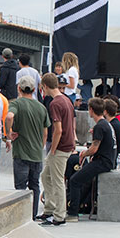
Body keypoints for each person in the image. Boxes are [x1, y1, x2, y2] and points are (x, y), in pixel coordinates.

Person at [64, 97, 116, 223]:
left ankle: (73, 213)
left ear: (91, 110)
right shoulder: (106, 124)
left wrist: (84, 154)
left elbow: (94, 149)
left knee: (75, 180)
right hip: (109, 160)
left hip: (102, 162)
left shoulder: (100, 126)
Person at [6, 75, 50, 220]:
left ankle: (20, 216)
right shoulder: (41, 107)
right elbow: (45, 132)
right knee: (35, 185)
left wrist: (8, 133)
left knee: (20, 187)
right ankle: (32, 214)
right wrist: (40, 146)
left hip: (21, 153)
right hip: (36, 154)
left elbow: (9, 116)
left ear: (19, 88)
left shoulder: (17, 104)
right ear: (34, 89)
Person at [38, 73, 76, 225]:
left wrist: (52, 149)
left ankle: (59, 215)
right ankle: (49, 209)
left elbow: (58, 129)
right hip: (67, 144)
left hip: (60, 147)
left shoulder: (55, 104)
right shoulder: (66, 100)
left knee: (58, 180)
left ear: (45, 86)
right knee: (46, 176)